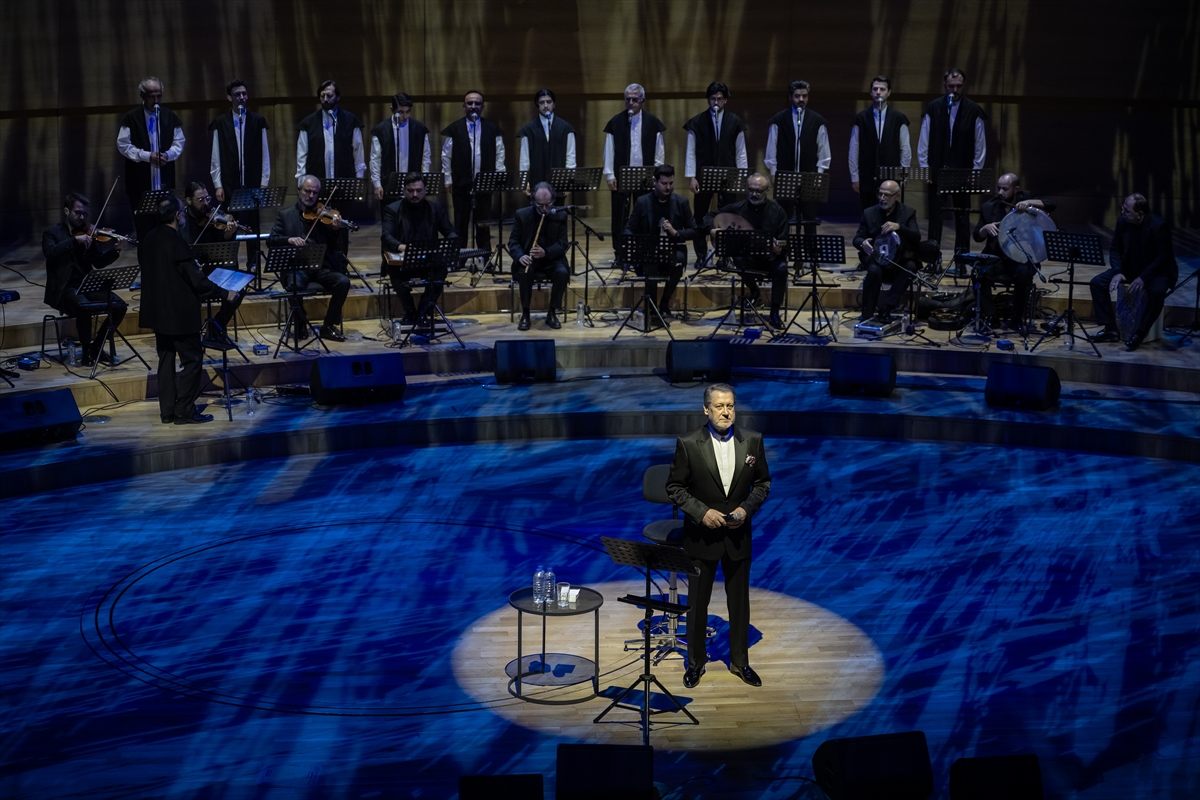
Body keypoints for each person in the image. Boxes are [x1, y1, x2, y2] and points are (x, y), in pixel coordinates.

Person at [666, 383, 771, 689]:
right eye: (720, 406)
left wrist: (745, 510)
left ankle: (741, 663)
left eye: (730, 406)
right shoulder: (688, 443)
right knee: (698, 604)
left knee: (739, 603)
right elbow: (675, 488)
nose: (726, 412)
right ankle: (695, 663)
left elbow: (763, 484)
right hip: (702, 536)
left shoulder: (753, 440)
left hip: (738, 536)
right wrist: (701, 512)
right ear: (706, 409)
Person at [138, 196, 238, 425]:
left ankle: (168, 412)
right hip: (179, 314)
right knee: (192, 360)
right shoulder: (177, 241)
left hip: (158, 313)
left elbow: (165, 270)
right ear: (177, 216)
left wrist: (190, 266)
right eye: (182, 211)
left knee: (165, 361)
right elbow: (197, 281)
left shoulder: (149, 238)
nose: (184, 214)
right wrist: (225, 294)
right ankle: (184, 411)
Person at [41, 192, 128, 366]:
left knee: (119, 306)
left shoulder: (91, 232)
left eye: (84, 214)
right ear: (67, 211)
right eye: (77, 213)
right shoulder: (52, 233)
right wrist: (75, 240)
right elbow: (50, 253)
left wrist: (115, 250)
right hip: (64, 289)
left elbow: (98, 263)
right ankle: (87, 350)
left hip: (87, 285)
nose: (81, 217)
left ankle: (97, 345)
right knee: (84, 306)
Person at [268, 175, 352, 342]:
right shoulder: (285, 215)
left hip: (321, 267)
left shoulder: (325, 215)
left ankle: (328, 326)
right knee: (293, 285)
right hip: (297, 267)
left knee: (343, 282)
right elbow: (271, 240)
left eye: (315, 192)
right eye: (307, 191)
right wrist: (289, 240)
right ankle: (300, 322)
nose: (311, 196)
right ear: (299, 191)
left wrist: (336, 231)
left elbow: (335, 248)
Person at [1090, 193, 1178, 350]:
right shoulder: (1122, 222)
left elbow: (1163, 258)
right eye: (1123, 208)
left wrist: (1143, 278)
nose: (1123, 212)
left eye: (1127, 210)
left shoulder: (1158, 226)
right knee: (1097, 283)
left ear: (1140, 214)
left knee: (1157, 292)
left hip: (1156, 272)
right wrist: (1117, 271)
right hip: (1130, 268)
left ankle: (1140, 333)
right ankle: (1110, 329)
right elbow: (1115, 248)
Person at [704, 173, 790, 329]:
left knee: (782, 269)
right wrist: (711, 230)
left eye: (758, 191)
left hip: (770, 260)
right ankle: (754, 291)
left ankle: (775, 313)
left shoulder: (778, 212)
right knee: (738, 259)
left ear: (767, 191)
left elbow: (785, 242)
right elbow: (710, 216)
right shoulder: (737, 208)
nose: (754, 194)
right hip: (748, 259)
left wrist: (778, 247)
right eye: (751, 190)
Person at [972, 174, 1056, 332]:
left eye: (1005, 189)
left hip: (1020, 257)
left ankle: (1017, 319)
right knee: (978, 272)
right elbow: (977, 236)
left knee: (1024, 273)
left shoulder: (1027, 198)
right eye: (999, 188)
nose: (1000, 192)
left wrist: (1028, 203)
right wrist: (985, 228)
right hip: (997, 257)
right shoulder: (989, 207)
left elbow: (1051, 205)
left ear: (1016, 189)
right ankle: (991, 317)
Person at [918, 68, 987, 252]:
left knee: (963, 216)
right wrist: (925, 168)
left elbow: (979, 143)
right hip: (937, 170)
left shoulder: (973, 110)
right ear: (945, 85)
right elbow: (924, 140)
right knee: (935, 216)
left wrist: (976, 171)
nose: (955, 90)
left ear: (963, 86)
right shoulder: (933, 107)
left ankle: (962, 258)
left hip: (963, 171)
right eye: (951, 86)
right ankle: (933, 257)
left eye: (958, 86)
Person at [380, 173, 457, 324]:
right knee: (394, 271)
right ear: (404, 190)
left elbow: (450, 231)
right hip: (403, 261)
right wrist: (403, 247)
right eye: (410, 190)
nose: (415, 194)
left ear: (425, 190)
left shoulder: (435, 208)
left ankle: (423, 311)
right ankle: (409, 311)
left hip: (427, 260)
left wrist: (450, 245)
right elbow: (386, 236)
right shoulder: (392, 209)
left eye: (419, 190)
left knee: (441, 270)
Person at [209, 79, 270, 268]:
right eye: (237, 94)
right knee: (230, 225)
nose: (242, 97)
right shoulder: (221, 122)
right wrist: (217, 183)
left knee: (253, 225)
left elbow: (265, 153)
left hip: (252, 183)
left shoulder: (257, 121)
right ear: (230, 97)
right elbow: (215, 155)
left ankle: (253, 263)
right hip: (230, 184)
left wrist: (264, 181)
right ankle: (230, 263)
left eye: (244, 93)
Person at [683, 81, 747, 262]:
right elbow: (690, 151)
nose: (716, 103)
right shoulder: (697, 122)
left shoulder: (735, 122)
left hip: (729, 177)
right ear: (708, 100)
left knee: (729, 217)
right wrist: (692, 177)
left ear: (725, 100)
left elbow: (741, 152)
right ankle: (701, 255)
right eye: (712, 99)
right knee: (700, 216)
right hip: (704, 177)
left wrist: (742, 177)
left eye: (720, 99)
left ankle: (727, 255)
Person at [622, 165, 696, 319]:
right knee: (650, 262)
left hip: (672, 251)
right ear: (654, 181)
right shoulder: (642, 202)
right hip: (648, 252)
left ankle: (664, 302)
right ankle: (652, 306)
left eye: (671, 183)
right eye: (664, 183)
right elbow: (629, 228)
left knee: (679, 260)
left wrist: (675, 232)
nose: (668, 187)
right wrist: (631, 242)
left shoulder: (681, 202)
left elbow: (694, 230)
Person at [117, 76, 185, 241]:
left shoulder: (169, 116)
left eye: (159, 96)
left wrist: (167, 155)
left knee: (166, 231)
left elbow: (179, 142)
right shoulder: (131, 117)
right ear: (142, 96)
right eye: (152, 96)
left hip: (164, 183)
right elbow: (123, 145)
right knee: (144, 232)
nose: (156, 100)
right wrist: (147, 156)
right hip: (140, 186)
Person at [603, 83, 666, 250]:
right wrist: (610, 174)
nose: (631, 103)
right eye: (628, 99)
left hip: (645, 177)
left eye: (635, 99)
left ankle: (645, 250)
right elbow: (609, 150)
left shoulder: (653, 123)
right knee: (619, 216)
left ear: (642, 100)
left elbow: (659, 153)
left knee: (645, 214)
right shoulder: (616, 122)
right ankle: (620, 252)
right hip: (620, 176)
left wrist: (656, 175)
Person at [179, 181, 246, 339]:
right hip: (192, 276)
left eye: (207, 198)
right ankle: (191, 335)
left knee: (239, 290)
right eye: (200, 200)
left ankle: (216, 327)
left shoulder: (215, 216)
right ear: (188, 201)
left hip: (213, 271)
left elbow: (224, 247)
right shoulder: (181, 222)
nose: (206, 203)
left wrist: (229, 234)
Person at [441, 90, 505, 253]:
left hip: (484, 184)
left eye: (477, 103)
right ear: (464, 106)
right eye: (470, 103)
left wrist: (499, 176)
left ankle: (484, 256)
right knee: (460, 223)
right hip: (461, 183)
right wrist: (448, 178)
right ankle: (459, 257)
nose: (473, 106)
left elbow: (499, 154)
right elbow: (446, 156)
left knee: (483, 224)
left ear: (483, 106)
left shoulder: (492, 128)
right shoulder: (454, 129)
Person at [764, 79, 830, 233]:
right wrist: (773, 171)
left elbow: (823, 149)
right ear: (790, 97)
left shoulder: (817, 120)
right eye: (797, 96)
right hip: (785, 175)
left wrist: (820, 173)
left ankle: (809, 252)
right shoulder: (779, 119)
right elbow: (771, 147)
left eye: (804, 96)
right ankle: (783, 249)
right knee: (783, 215)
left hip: (809, 176)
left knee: (809, 216)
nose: (801, 100)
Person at [853, 179, 921, 320]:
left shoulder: (908, 213)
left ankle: (888, 307)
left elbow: (916, 237)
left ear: (896, 196)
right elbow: (857, 238)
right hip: (876, 259)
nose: (882, 198)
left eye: (886, 195)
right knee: (873, 271)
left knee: (911, 266)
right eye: (880, 194)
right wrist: (863, 243)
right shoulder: (869, 213)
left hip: (898, 260)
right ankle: (867, 314)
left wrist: (900, 227)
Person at [507, 182, 569, 331]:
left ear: (553, 201)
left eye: (548, 205)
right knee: (525, 273)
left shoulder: (560, 215)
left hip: (551, 259)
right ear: (533, 201)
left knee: (562, 273)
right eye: (540, 205)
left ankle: (552, 312)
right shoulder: (522, 215)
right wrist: (520, 256)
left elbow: (563, 244)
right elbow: (513, 241)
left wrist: (546, 252)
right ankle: (526, 313)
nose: (544, 209)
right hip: (529, 258)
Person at [849, 75, 911, 212]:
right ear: (871, 92)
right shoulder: (861, 118)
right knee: (868, 214)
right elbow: (854, 150)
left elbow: (905, 149)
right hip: (867, 176)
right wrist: (855, 177)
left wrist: (903, 176)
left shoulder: (898, 118)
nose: (878, 92)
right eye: (875, 89)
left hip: (891, 177)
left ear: (888, 92)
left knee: (889, 214)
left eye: (882, 89)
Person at [295, 80, 366, 181]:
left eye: (329, 96)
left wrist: (359, 180)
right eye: (322, 96)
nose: (325, 99)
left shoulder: (350, 120)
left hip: (344, 180)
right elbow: (301, 156)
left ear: (338, 97)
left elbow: (358, 154)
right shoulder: (308, 123)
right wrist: (301, 182)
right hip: (316, 182)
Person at [369, 92, 432, 201]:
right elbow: (375, 159)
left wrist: (424, 181)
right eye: (401, 112)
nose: (405, 116)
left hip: (414, 188)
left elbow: (425, 157)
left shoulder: (419, 129)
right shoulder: (381, 130)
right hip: (388, 185)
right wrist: (377, 184)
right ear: (392, 110)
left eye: (408, 112)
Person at [516, 89, 576, 192]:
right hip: (536, 181)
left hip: (559, 183)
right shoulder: (528, 130)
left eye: (549, 102)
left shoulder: (566, 128)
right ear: (537, 105)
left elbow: (570, 156)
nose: (545, 105)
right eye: (541, 102)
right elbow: (524, 159)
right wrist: (524, 182)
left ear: (554, 104)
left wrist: (568, 181)